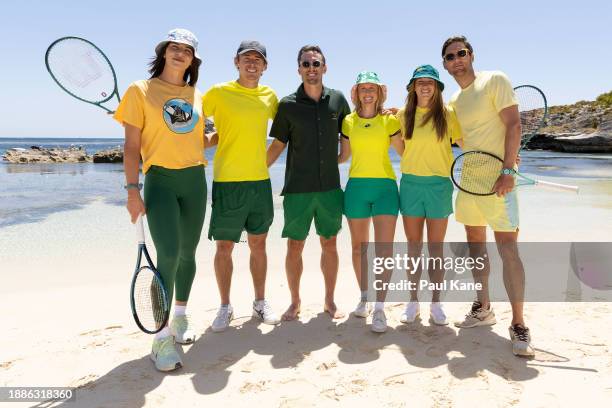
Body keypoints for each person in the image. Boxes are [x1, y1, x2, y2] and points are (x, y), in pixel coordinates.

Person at [115, 28, 207, 371]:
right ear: (164, 52)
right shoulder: (140, 90)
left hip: (196, 181)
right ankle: (161, 338)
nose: (179, 53)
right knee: (167, 254)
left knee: (188, 254)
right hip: (161, 181)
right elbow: (132, 147)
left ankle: (180, 316)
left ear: (193, 59)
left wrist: (228, 133)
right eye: (174, 47)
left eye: (187, 49)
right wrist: (131, 191)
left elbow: (199, 138)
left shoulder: (199, 95)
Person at [442, 35, 534, 357]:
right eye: (450, 57)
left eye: (461, 53)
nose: (457, 60)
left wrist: (508, 170)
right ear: (446, 64)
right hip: (469, 183)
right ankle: (483, 308)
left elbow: (513, 124)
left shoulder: (495, 79)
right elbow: (451, 135)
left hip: (500, 181)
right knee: (476, 247)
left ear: (471, 54)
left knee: (509, 251)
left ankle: (519, 324)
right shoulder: (454, 100)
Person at [267, 45, 350, 321]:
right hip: (297, 190)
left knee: (330, 244)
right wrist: (256, 170)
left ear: (325, 68)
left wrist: (340, 158)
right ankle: (295, 302)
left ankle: (329, 300)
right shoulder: (287, 104)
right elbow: (278, 144)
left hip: (329, 189)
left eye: (316, 64)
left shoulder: (338, 100)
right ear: (299, 68)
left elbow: (351, 134)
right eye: (306, 64)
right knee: (295, 246)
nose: (311, 68)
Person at [202, 40, 280, 332]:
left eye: (257, 60)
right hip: (227, 182)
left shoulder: (270, 96)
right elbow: (188, 116)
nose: (251, 64)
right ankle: (225, 306)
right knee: (224, 246)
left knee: (258, 245)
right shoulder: (219, 92)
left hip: (259, 184)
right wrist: (204, 139)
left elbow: (287, 131)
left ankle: (260, 302)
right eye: (246, 59)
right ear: (236, 62)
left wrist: (266, 162)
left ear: (265, 66)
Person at [396, 65, 462, 326]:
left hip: (439, 186)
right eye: (420, 82)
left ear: (437, 88)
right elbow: (399, 147)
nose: (425, 86)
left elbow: (465, 143)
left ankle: (436, 303)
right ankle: (413, 302)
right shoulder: (403, 115)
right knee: (414, 248)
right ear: (413, 87)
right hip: (411, 185)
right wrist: (416, 162)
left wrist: (502, 158)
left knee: (435, 248)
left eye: (430, 83)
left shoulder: (448, 115)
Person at [338, 71, 403, 333]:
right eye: (363, 88)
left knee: (384, 251)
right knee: (359, 249)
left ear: (380, 93)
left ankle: (380, 308)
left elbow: (406, 152)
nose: (368, 93)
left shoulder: (390, 121)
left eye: (372, 89)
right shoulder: (348, 121)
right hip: (356, 189)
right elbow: (343, 156)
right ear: (356, 92)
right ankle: (364, 297)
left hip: (386, 188)